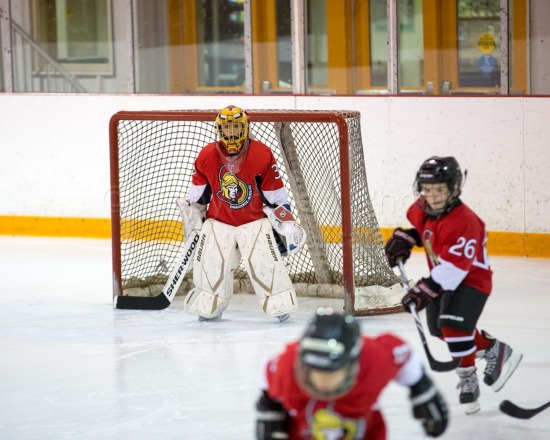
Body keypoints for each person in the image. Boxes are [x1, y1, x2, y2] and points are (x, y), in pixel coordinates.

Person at [384, 156, 523, 414]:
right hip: (444, 276)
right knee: (439, 330)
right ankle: (493, 349)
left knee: (454, 327)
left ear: (453, 189)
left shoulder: (465, 221)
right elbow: (427, 233)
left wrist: (423, 290)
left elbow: (456, 268)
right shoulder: (421, 208)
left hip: (472, 279)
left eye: (440, 190)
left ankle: (467, 378)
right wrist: (408, 237)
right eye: (428, 189)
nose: (433, 196)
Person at [180, 105, 305, 323]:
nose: (231, 132)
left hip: (254, 223)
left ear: (246, 127)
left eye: (236, 127)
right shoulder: (207, 155)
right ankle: (210, 304)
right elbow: (198, 199)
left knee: (265, 265)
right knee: (211, 267)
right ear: (219, 129)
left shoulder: (261, 154)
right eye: (227, 128)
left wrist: (287, 224)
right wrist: (193, 222)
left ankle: (279, 302)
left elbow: (276, 196)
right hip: (219, 223)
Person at [255, 308, 448, 439]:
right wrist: (269, 405)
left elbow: (403, 354)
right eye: (316, 373)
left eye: (331, 374)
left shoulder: (373, 359)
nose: (322, 383)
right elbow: (268, 373)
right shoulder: (287, 365)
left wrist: (421, 387)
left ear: (352, 363)